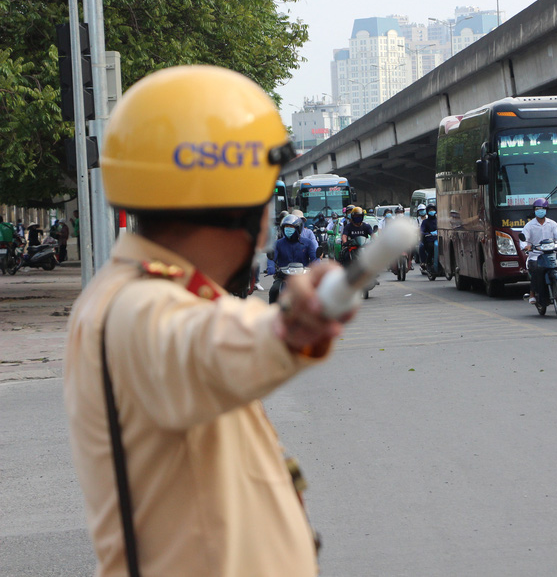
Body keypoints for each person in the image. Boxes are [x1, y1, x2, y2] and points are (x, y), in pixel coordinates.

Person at [64, 65, 347, 576]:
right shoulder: (133, 308)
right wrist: (289, 327)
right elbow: (197, 346)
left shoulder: (156, 290)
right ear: (239, 204)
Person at [520, 198, 557, 304]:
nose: (540, 211)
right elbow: (523, 239)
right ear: (534, 210)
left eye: (542, 209)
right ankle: (532, 294)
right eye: (538, 209)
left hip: (551, 254)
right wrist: (526, 246)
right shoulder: (529, 225)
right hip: (536, 255)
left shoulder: (552, 224)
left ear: (546, 210)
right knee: (536, 270)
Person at [418, 204, 438, 269]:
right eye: (430, 210)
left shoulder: (439, 220)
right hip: (429, 239)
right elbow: (422, 230)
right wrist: (426, 233)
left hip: (438, 239)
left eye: (433, 210)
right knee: (431, 247)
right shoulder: (425, 222)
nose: (432, 211)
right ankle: (428, 262)